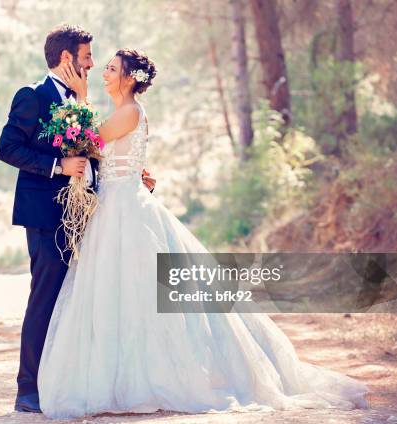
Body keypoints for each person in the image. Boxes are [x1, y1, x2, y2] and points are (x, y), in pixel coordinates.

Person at [36, 48, 370, 419]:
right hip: (117, 207)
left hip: (126, 212)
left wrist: (80, 100)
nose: (103, 74)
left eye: (112, 69)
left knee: (138, 295)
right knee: (122, 295)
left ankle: (152, 377)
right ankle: (125, 375)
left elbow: (88, 143)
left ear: (130, 78)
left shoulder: (128, 112)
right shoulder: (124, 113)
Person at [0, 25, 156, 413]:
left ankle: (69, 379)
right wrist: (56, 166)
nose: (92, 63)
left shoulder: (83, 100)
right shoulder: (33, 96)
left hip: (87, 216)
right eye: (87, 57)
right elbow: (7, 148)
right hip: (46, 216)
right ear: (68, 59)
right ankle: (28, 389)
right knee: (46, 298)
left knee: (80, 301)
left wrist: (130, 174)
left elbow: (91, 149)